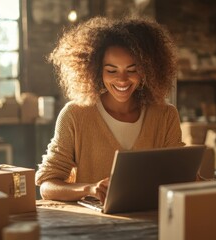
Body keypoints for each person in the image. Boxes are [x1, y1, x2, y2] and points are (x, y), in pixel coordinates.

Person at [35, 16, 185, 203]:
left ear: (147, 70)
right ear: (96, 70)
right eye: (111, 70)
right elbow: (47, 185)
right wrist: (89, 189)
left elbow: (182, 174)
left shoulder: (165, 115)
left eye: (132, 70)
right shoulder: (75, 115)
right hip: (96, 227)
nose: (122, 80)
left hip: (152, 221)